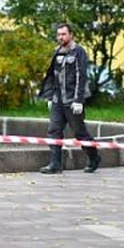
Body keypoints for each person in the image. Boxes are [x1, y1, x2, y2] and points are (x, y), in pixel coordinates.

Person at [37, 22, 101, 174]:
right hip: (58, 99)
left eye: (64, 34)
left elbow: (81, 76)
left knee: (80, 132)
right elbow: (53, 76)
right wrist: (50, 97)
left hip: (72, 100)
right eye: (59, 34)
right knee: (53, 130)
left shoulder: (78, 52)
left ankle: (94, 157)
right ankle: (55, 164)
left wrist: (79, 100)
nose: (61, 37)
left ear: (71, 34)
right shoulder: (57, 52)